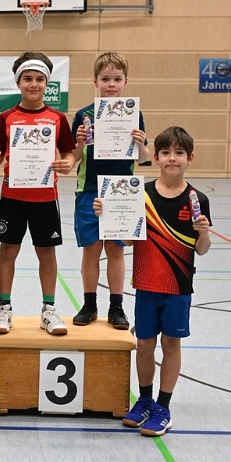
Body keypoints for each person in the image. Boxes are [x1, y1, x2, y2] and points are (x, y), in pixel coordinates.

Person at [94, 126, 211, 437]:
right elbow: (127, 241)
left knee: (171, 344)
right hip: (146, 284)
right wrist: (108, 215)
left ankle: (163, 407)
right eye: (166, 153)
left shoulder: (197, 199)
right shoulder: (140, 194)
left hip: (178, 287)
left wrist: (204, 233)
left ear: (190, 158)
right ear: (156, 158)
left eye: (179, 153)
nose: (173, 158)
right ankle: (144, 400)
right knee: (144, 344)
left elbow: (202, 249)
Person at [0, 52, 76, 336]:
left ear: (47, 83)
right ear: (18, 82)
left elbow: (69, 153)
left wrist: (68, 163)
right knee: (8, 250)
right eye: (27, 79)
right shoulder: (6, 117)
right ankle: (4, 308)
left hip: (45, 198)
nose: (33, 84)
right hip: (12, 197)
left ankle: (49, 310)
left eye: (39, 79)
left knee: (46, 252)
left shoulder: (57, 118)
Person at [71, 52, 149, 329]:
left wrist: (140, 143)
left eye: (117, 79)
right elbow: (74, 157)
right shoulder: (83, 115)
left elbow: (144, 158)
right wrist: (80, 142)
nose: (111, 84)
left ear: (126, 81)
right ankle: (89, 304)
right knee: (91, 250)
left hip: (122, 192)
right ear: (95, 81)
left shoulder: (134, 114)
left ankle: (117, 306)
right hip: (89, 190)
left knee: (116, 250)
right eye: (105, 79)